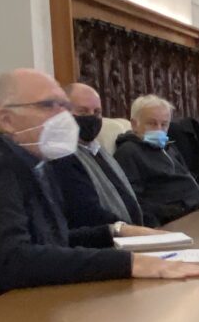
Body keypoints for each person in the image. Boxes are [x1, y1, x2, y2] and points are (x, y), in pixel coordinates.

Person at [0, 69, 199, 322]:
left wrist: (116, 233)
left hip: (10, 314)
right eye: (49, 106)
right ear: (6, 118)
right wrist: (131, 263)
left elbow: (48, 241)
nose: (65, 117)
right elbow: (14, 261)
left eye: (64, 106)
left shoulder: (29, 162)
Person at [47, 82, 145, 229]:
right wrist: (130, 231)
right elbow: (87, 213)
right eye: (83, 112)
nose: (91, 118)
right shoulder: (61, 156)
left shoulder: (99, 150)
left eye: (97, 112)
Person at [113, 94, 199, 225]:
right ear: (134, 124)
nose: (159, 129)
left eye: (164, 124)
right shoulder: (128, 152)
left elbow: (190, 181)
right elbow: (134, 202)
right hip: (174, 221)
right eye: (152, 123)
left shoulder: (169, 148)